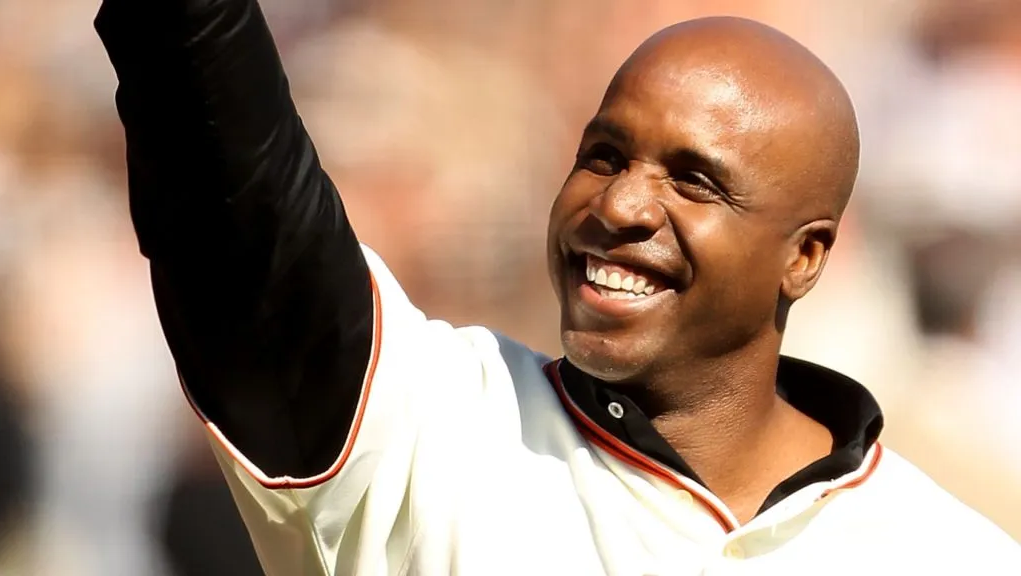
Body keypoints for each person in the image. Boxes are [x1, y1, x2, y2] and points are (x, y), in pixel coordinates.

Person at [94, 0, 1020, 574]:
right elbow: (239, 199)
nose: (619, 205)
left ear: (806, 256)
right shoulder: (430, 430)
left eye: (693, 181)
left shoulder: (948, 554)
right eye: (603, 155)